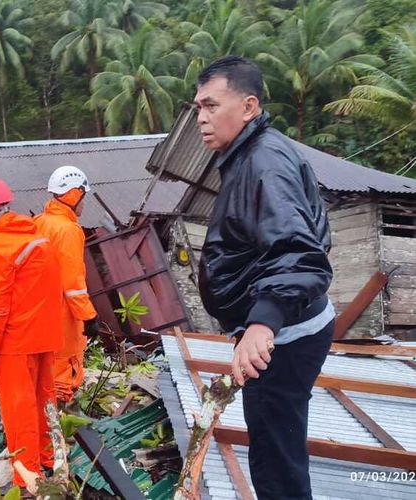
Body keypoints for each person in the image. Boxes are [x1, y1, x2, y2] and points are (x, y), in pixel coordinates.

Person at [195, 56, 334, 499]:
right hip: (281, 328)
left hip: (286, 336)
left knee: (276, 459)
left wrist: (263, 321)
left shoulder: (263, 163)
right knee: (277, 445)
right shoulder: (250, 155)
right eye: (198, 107)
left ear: (249, 106)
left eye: (212, 105)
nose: (201, 117)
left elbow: (299, 250)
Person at [0, 178, 63, 492]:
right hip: (45, 338)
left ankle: (27, 481)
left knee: (19, 412)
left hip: (15, 344)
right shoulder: (38, 237)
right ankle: (47, 462)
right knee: (43, 404)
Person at [34, 166, 99, 405]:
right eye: (83, 196)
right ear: (74, 194)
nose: (84, 203)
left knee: (42, 374)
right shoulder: (68, 231)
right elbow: (73, 284)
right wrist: (89, 317)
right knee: (62, 377)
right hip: (61, 317)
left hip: (39, 315)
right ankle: (59, 431)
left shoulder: (39, 222)